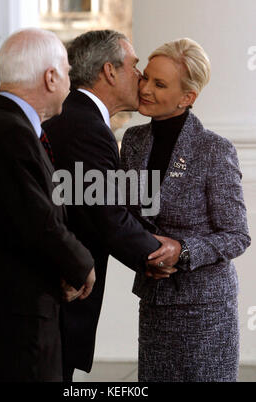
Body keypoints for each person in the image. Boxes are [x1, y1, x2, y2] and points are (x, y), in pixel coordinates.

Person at [0, 28, 96, 382]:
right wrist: (82, 265)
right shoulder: (9, 133)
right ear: (50, 77)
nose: (69, 81)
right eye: (66, 72)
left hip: (6, 317)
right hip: (14, 325)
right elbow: (38, 222)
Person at [43, 30, 177, 381]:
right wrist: (158, 253)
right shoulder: (84, 125)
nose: (141, 77)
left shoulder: (78, 117)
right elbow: (107, 214)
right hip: (62, 290)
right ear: (109, 71)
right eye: (135, 66)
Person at [120, 38, 251, 382]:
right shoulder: (133, 141)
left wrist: (182, 250)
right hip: (154, 302)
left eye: (159, 84)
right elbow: (125, 215)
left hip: (205, 311)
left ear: (187, 98)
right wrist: (140, 253)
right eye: (145, 77)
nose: (145, 88)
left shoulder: (214, 150)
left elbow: (237, 235)